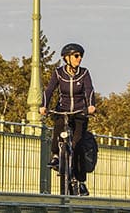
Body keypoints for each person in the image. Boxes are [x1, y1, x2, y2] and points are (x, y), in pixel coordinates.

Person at [42, 42, 99, 196]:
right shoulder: (58, 73)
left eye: (80, 56)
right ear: (67, 58)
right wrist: (44, 106)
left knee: (78, 145)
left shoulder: (84, 73)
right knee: (58, 129)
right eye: (76, 56)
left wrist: (91, 106)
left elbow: (89, 90)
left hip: (80, 112)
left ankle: (80, 182)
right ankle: (56, 156)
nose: (79, 59)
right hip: (64, 110)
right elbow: (49, 90)